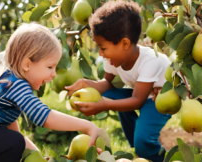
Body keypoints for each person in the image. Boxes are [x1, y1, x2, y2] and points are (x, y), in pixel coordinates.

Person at [0, 22, 103, 162]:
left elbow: (11, 126)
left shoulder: (10, 79)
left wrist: (35, 155)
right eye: (50, 67)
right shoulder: (16, 84)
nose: (54, 74)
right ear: (27, 64)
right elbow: (45, 117)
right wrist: (86, 126)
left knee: (14, 141)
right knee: (14, 143)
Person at [66, 1, 171, 162]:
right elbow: (106, 84)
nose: (101, 54)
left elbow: (137, 101)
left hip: (161, 100)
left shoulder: (150, 60)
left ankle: (161, 157)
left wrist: (104, 104)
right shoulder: (114, 58)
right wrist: (87, 84)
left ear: (125, 44)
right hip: (141, 94)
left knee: (143, 141)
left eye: (103, 48)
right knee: (109, 94)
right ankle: (138, 144)